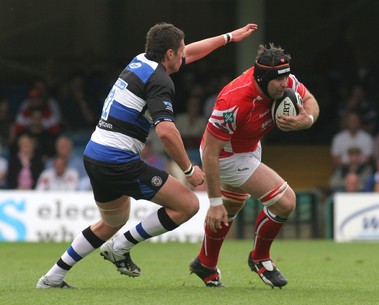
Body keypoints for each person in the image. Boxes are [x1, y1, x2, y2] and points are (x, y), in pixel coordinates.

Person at [36, 22, 257, 288]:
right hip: (118, 160)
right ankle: (120, 246)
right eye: (180, 49)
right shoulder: (160, 81)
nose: (185, 53)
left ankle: (53, 277)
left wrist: (229, 37)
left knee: (112, 220)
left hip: (94, 154)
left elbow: (190, 52)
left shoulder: (140, 61)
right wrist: (189, 170)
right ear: (170, 55)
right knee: (188, 205)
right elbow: (166, 132)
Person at [188, 43, 319, 288]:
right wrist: (213, 202)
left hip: (249, 146)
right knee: (285, 201)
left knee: (232, 206)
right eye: (279, 80)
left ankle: (205, 263)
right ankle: (260, 258)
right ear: (264, 78)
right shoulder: (234, 100)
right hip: (225, 156)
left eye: (287, 78)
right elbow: (210, 151)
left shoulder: (284, 80)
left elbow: (310, 99)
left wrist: (307, 119)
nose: (285, 84)